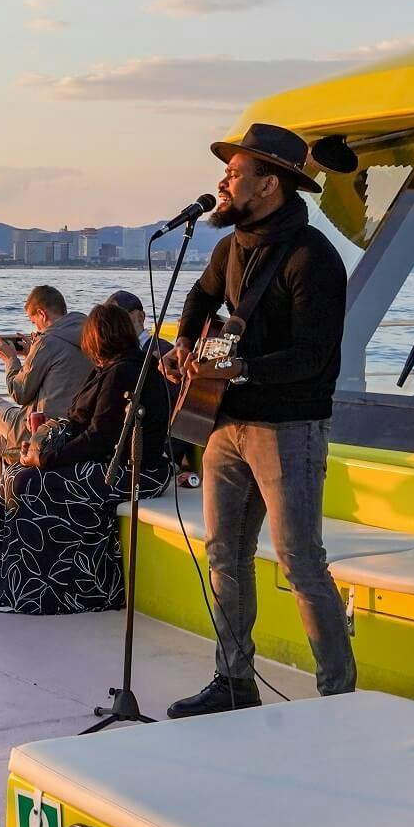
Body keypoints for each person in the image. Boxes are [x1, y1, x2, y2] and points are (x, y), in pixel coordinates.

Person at [160, 122, 354, 717]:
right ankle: (234, 682)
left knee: (300, 561)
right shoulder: (231, 245)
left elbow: (311, 358)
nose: (223, 182)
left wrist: (237, 370)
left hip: (287, 429)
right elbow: (198, 298)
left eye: (236, 173)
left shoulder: (313, 258)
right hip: (224, 423)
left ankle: (337, 698)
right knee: (224, 554)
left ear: (269, 184)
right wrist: (184, 344)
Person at [0, 303, 171, 614]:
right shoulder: (108, 369)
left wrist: (47, 461)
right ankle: (2, 583)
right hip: (110, 460)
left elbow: (100, 439)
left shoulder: (125, 372)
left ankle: (34, 592)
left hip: (135, 469)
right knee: (14, 475)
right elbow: (78, 421)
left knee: (30, 483)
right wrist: (39, 448)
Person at [0, 286, 91, 534]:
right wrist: (32, 354)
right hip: (76, 427)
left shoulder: (48, 341)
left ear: (42, 314)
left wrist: (11, 359)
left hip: (41, 428)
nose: (35, 328)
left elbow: (20, 393)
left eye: (34, 321)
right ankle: (6, 460)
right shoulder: (89, 334)